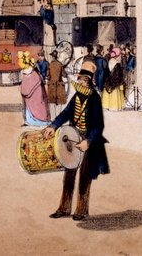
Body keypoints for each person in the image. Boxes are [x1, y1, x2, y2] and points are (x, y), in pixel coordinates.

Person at [43, 69, 109, 222]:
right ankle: (64, 208)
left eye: (84, 81)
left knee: (85, 176)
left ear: (89, 82)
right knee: (69, 175)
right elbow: (65, 113)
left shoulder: (94, 99)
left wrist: (89, 141)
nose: (80, 83)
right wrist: (53, 126)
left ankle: (82, 210)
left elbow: (98, 126)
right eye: (79, 80)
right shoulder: (77, 96)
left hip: (88, 141)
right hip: (73, 137)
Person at [20, 51, 50, 127]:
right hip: (39, 86)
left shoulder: (45, 64)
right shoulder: (34, 69)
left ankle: (33, 120)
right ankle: (37, 120)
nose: (40, 57)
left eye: (41, 56)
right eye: (39, 56)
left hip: (41, 84)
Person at [46, 50, 67, 119]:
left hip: (52, 86)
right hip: (59, 86)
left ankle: (52, 118)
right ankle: (58, 118)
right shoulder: (60, 64)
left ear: (52, 57)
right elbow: (64, 75)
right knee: (59, 103)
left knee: (52, 103)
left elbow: (47, 75)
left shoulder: (50, 65)